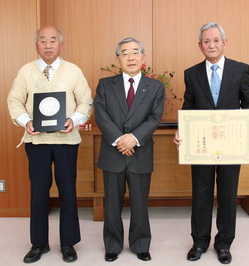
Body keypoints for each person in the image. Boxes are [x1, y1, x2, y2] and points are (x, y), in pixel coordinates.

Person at [173, 22, 249, 264]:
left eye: (216, 40)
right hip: (201, 145)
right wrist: (181, 131)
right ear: (200, 45)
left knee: (227, 193)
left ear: (224, 43)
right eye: (206, 41)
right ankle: (199, 242)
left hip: (232, 143)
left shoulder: (240, 69)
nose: (211, 45)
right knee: (200, 194)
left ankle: (224, 244)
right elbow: (189, 106)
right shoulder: (191, 73)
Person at [7, 26, 93, 263]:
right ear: (36, 45)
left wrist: (73, 120)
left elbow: (85, 102)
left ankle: (68, 243)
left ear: (60, 44)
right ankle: (39, 244)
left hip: (66, 140)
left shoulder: (73, 71)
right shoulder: (25, 71)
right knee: (38, 193)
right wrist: (26, 122)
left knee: (68, 192)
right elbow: (14, 101)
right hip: (36, 141)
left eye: (52, 40)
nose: (47, 45)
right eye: (42, 40)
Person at [94, 37, 165, 262]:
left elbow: (155, 117)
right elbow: (101, 115)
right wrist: (119, 140)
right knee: (112, 204)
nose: (130, 57)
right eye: (125, 53)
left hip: (140, 152)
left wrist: (133, 138)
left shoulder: (155, 87)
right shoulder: (105, 85)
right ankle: (113, 245)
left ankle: (140, 244)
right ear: (118, 59)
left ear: (143, 58)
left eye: (135, 52)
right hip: (112, 153)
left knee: (140, 203)